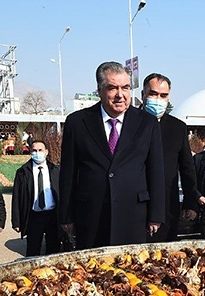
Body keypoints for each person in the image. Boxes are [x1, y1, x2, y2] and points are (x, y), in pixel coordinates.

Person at [59, 61, 165, 249]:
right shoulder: (78, 123)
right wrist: (66, 215)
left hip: (133, 215)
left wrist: (156, 215)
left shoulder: (147, 123)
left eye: (125, 88)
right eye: (112, 88)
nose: (120, 95)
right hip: (91, 216)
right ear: (99, 90)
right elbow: (68, 173)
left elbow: (155, 171)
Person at [140, 73, 198, 242]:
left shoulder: (177, 128)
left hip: (167, 206)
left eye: (163, 95)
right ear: (143, 95)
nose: (158, 99)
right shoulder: (129, 122)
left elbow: (187, 167)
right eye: (153, 94)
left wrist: (190, 202)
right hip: (135, 205)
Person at [12, 140, 61, 255]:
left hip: (53, 215)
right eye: (34, 150)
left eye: (40, 150)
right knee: (33, 251)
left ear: (46, 152)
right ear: (30, 151)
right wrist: (16, 221)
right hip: (34, 216)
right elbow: (16, 197)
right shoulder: (22, 172)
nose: (37, 153)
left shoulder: (55, 170)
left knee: (53, 251)